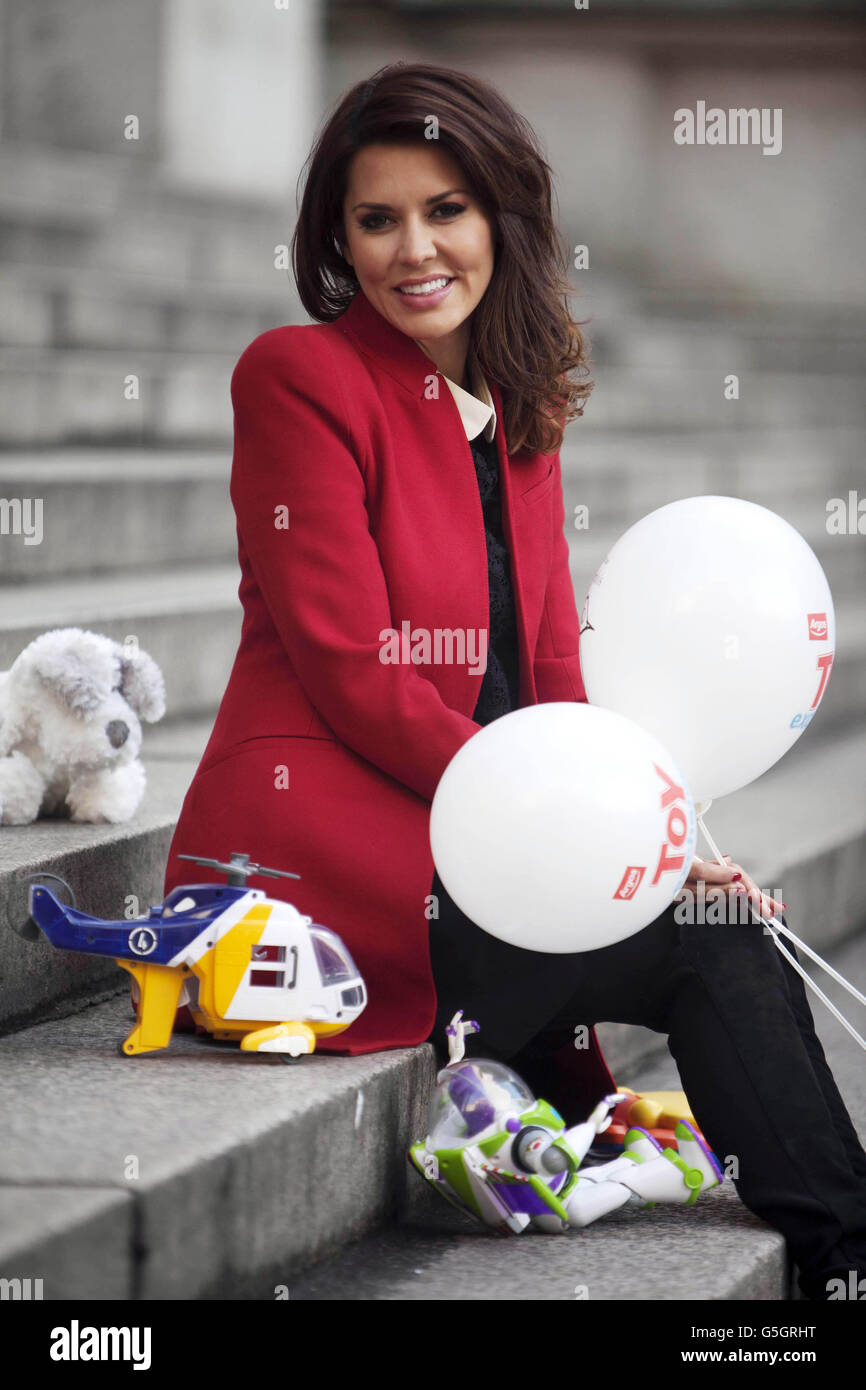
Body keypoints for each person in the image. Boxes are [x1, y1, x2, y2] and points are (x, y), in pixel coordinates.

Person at [163, 62, 866, 1300]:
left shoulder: (520, 410)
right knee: (708, 951)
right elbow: (351, 668)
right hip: (339, 855)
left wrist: (648, 836)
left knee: (718, 923)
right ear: (337, 237)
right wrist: (544, 820)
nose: (412, 249)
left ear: (501, 218)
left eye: (445, 210)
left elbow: (550, 670)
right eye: (375, 219)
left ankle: (839, 1259)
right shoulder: (299, 377)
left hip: (496, 844)